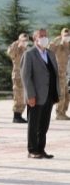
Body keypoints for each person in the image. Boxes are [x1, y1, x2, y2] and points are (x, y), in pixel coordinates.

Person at [21, 29, 60, 159]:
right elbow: (26, 77)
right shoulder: (29, 54)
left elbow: (54, 73)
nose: (44, 38)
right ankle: (32, 150)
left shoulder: (50, 53)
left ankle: (41, 149)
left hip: (49, 94)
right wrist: (30, 95)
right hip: (36, 96)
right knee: (33, 124)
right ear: (35, 39)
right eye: (41, 36)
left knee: (44, 124)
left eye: (45, 36)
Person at [7, 33, 30, 123]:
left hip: (25, 75)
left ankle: (20, 115)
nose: (25, 42)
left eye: (26, 40)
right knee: (18, 95)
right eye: (23, 40)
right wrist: (16, 43)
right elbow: (10, 52)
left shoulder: (26, 50)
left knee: (24, 96)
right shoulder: (16, 49)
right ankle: (16, 116)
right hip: (17, 76)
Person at [49, 28, 70, 120]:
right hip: (58, 73)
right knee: (61, 94)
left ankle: (63, 112)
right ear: (61, 36)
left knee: (66, 94)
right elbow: (48, 49)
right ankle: (59, 113)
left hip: (66, 74)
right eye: (65, 35)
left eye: (68, 35)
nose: (67, 37)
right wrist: (57, 40)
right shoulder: (57, 45)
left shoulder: (68, 46)